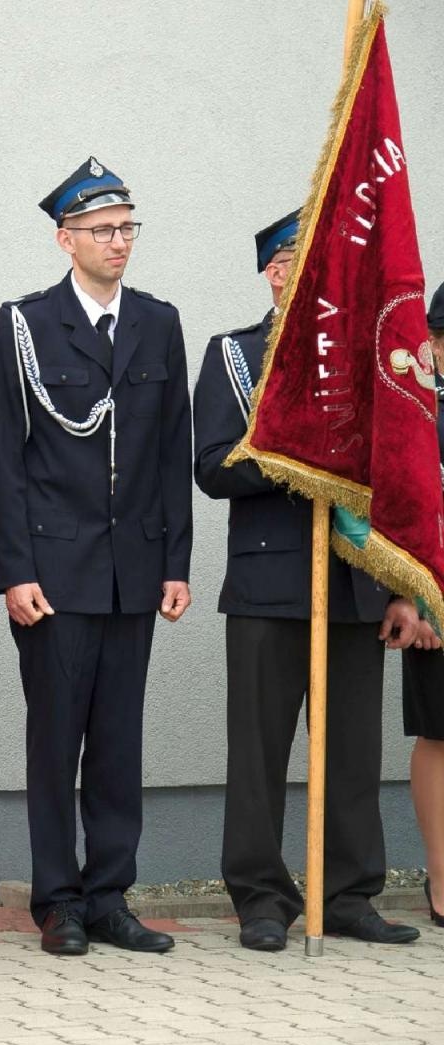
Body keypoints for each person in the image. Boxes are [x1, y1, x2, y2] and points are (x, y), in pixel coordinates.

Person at [0, 158, 191, 956]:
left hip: (133, 570)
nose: (119, 242)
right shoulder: (26, 325)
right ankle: (58, 900)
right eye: (103, 230)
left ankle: (110, 894)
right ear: (65, 239)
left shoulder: (156, 322)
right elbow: (4, 457)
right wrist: (16, 571)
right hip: (55, 576)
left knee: (118, 741)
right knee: (55, 736)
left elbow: (172, 453)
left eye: (128, 227)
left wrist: (176, 560)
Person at [194, 209, 423, 950]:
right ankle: (261, 898)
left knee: (355, 752)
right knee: (258, 754)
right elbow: (213, 465)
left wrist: (399, 587)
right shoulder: (235, 355)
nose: (308, 273)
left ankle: (350, 893)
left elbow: (396, 478)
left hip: (355, 585)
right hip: (267, 587)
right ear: (274, 271)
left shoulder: (368, 360)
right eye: (294, 259)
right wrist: (295, 457)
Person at [400, 281, 444, 930]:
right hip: (437, 589)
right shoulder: (416, 407)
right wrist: (417, 596)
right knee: (440, 732)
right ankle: (442, 876)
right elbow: (404, 509)